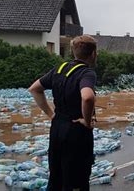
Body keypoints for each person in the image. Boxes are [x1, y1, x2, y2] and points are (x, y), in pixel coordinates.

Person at [29, 35, 97, 191]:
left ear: (73, 51)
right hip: (76, 131)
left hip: (57, 128)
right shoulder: (87, 73)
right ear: (93, 54)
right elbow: (87, 97)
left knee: (57, 175)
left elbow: (34, 89)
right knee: (76, 179)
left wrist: (51, 114)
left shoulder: (59, 69)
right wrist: (87, 121)